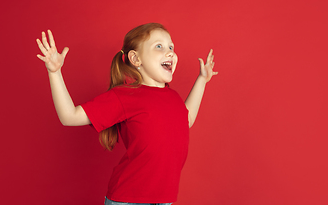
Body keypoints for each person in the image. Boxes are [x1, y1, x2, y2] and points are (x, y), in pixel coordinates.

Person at [36, 23, 218, 205]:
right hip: (128, 200)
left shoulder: (173, 97)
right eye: (159, 46)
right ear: (135, 59)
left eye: (171, 47)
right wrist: (55, 72)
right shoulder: (125, 96)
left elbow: (187, 120)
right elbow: (69, 116)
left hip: (164, 199)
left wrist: (202, 80)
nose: (170, 52)